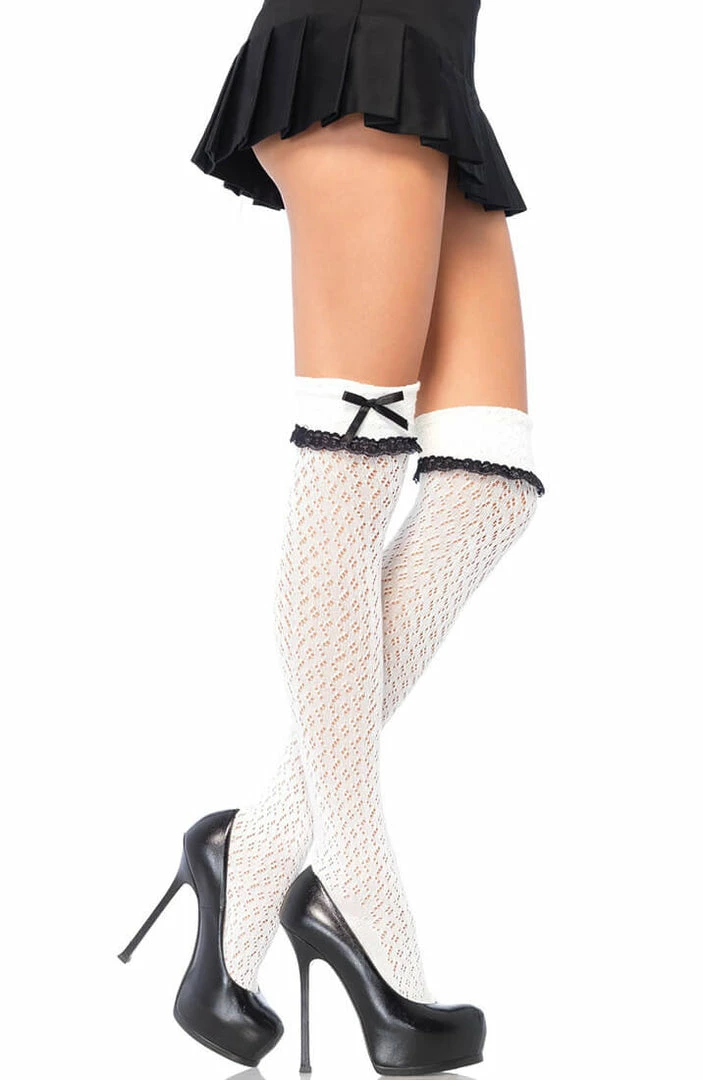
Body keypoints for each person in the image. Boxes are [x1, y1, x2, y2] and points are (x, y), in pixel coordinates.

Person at [119, 0, 545, 1073]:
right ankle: (357, 877)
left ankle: (251, 849)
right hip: (362, 44)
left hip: (434, 66)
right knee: (351, 470)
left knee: (489, 488)